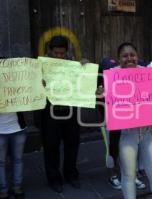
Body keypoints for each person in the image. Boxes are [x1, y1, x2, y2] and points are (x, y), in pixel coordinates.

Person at [107, 42, 152, 199]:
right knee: (128, 175)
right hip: (127, 134)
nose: (129, 58)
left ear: (137, 56)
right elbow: (102, 99)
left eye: (132, 55)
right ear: (118, 58)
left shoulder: (149, 74)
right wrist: (100, 93)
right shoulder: (112, 75)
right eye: (124, 56)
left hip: (148, 132)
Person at [98, 57, 146, 190]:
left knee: (130, 148)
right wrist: (99, 93)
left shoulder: (130, 77)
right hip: (109, 121)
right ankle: (112, 175)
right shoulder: (102, 80)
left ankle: (131, 175)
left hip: (128, 120)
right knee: (112, 150)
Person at [41, 36, 81, 193]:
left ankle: (71, 174)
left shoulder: (73, 65)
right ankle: (54, 178)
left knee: (73, 144)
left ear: (66, 52)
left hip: (70, 111)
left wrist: (84, 66)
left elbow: (83, 81)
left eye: (62, 53)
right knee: (51, 146)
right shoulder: (41, 65)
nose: (59, 56)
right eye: (56, 53)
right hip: (50, 113)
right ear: (50, 51)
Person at [0, 111, 26, 199]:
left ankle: (17, 187)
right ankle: (3, 190)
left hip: (18, 128)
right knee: (1, 162)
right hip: (1, 130)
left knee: (18, 160)